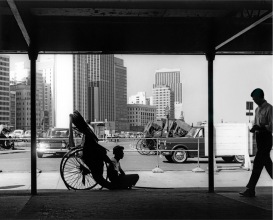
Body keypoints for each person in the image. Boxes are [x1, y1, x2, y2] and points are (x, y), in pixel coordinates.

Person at [239, 88, 272, 197]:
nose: (254, 101)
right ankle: (250, 189)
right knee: (266, 164)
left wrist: (261, 127)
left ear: (260, 97)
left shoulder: (269, 109)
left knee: (258, 164)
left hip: (266, 138)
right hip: (259, 139)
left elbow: (272, 126)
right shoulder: (257, 110)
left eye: (254, 99)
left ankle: (250, 189)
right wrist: (254, 127)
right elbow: (256, 123)